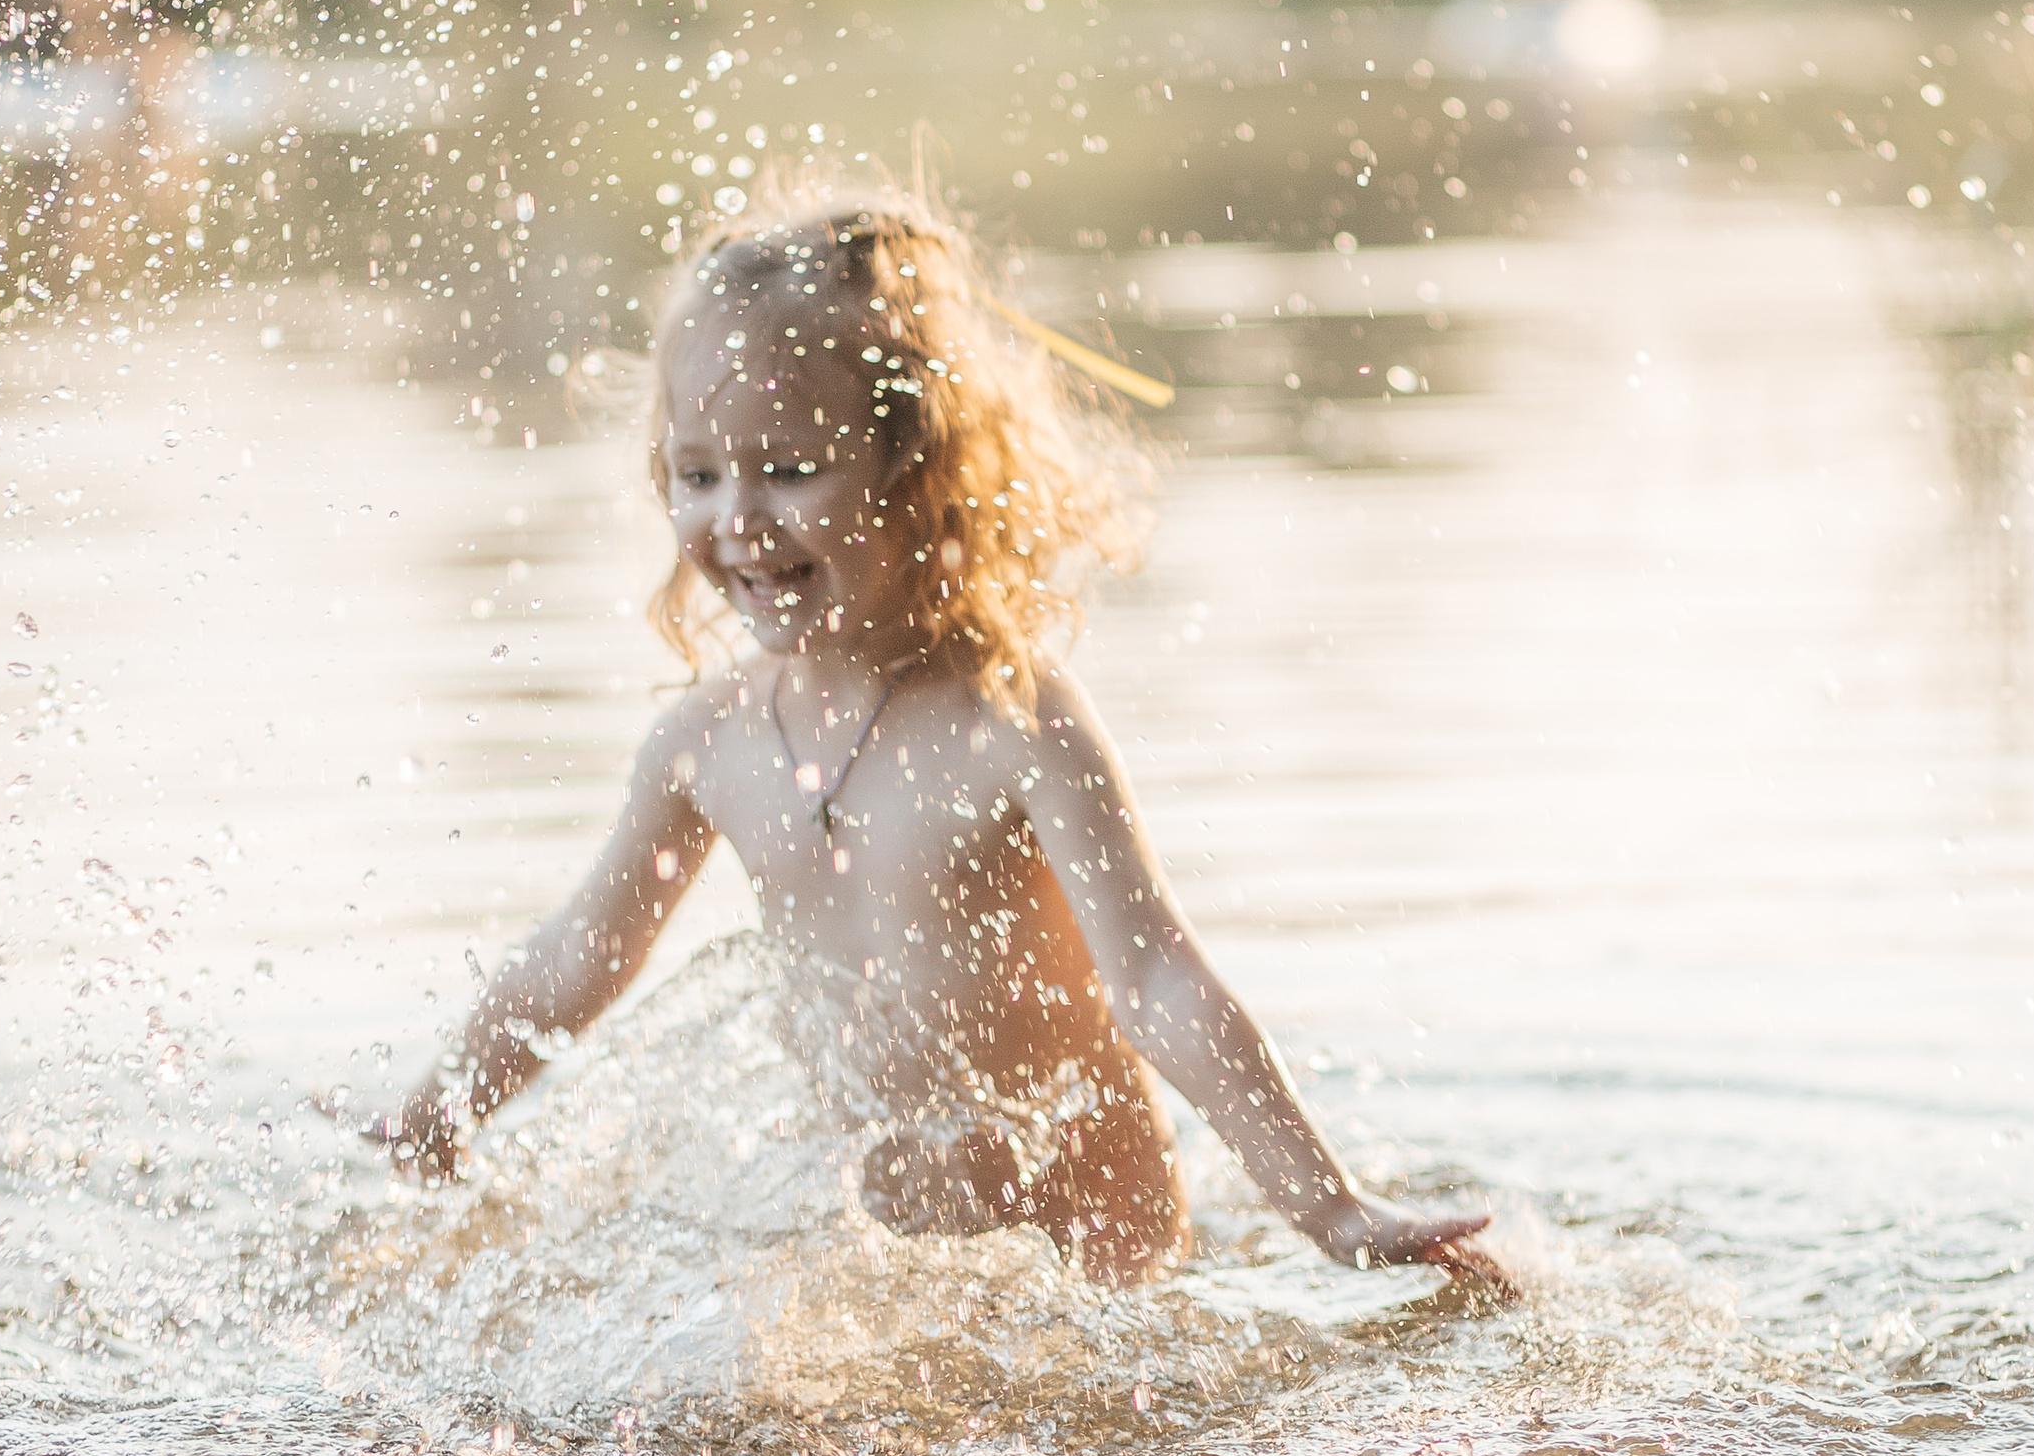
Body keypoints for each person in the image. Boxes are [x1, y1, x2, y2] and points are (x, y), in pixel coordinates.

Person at [373, 180, 1500, 1292]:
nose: (738, 520)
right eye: (698, 474)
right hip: (894, 1265)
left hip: (1093, 1258)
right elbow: (582, 953)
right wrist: (441, 1107)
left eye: (791, 468)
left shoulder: (1011, 719)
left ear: (922, 467)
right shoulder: (705, 742)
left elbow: (1157, 976)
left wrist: (1330, 1207)